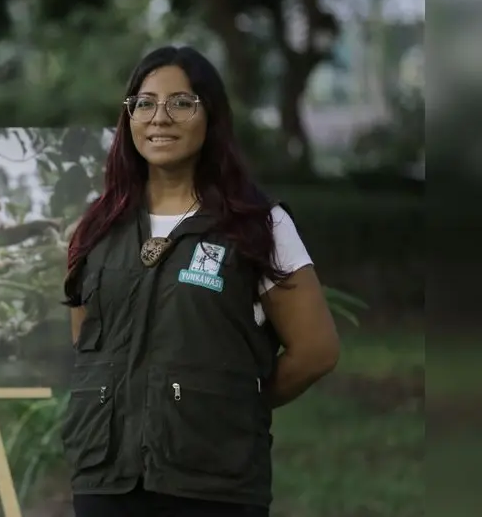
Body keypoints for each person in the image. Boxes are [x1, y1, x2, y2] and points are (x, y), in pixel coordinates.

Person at [61, 46, 341, 517]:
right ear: (128, 118)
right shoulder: (97, 227)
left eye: (182, 103)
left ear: (212, 115)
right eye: (144, 103)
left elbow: (316, 351)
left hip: (213, 482)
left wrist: (227, 404)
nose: (160, 118)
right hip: (106, 477)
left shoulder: (258, 225)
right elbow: (87, 340)